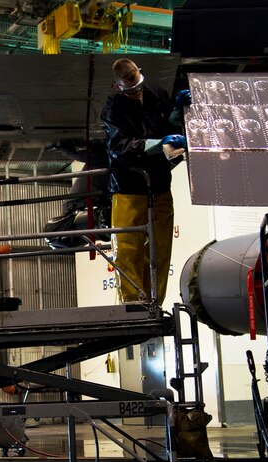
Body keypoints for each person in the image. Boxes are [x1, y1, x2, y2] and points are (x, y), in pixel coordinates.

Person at [100, 58, 190, 305]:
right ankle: (132, 303)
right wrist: (156, 144)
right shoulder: (112, 110)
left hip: (160, 183)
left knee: (160, 249)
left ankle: (153, 302)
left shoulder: (156, 94)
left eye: (138, 85)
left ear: (141, 72)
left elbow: (165, 124)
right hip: (128, 187)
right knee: (128, 249)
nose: (137, 91)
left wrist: (176, 113)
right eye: (130, 89)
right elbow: (119, 146)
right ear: (118, 87)